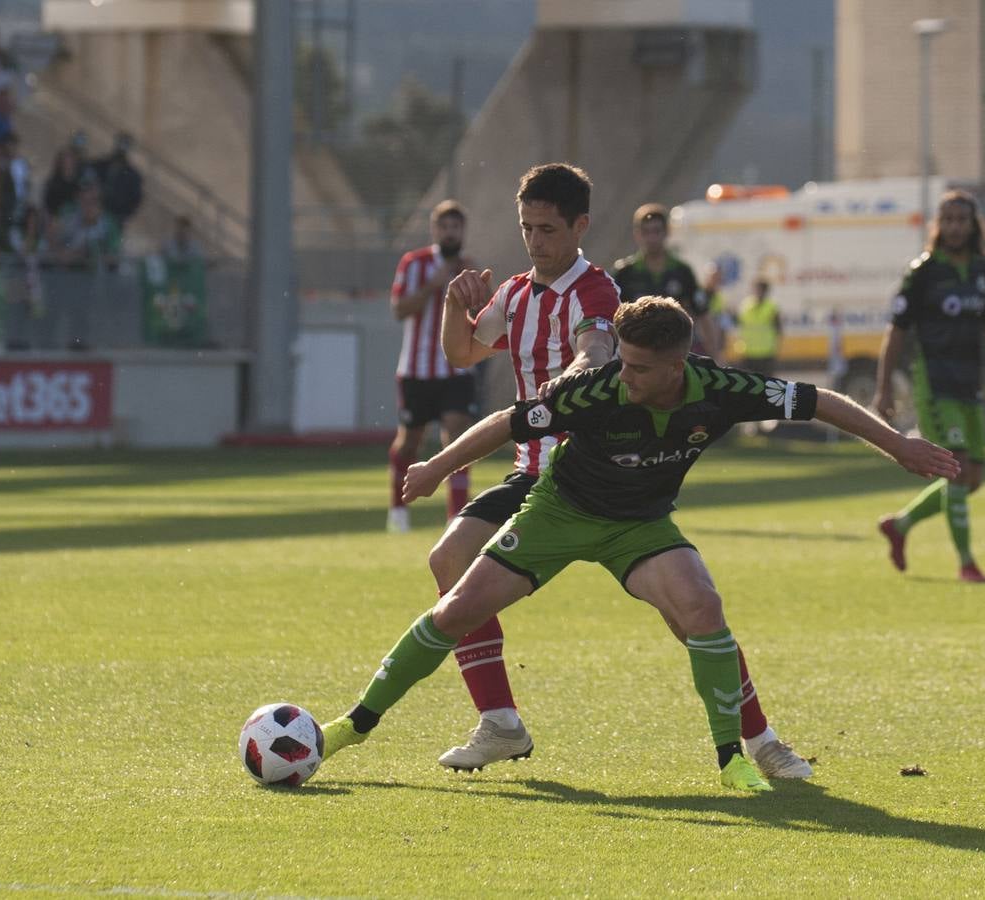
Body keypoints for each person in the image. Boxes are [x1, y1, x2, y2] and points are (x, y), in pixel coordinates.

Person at [318, 296, 960, 791]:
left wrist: (899, 444)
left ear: (680, 365)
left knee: (702, 608)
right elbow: (506, 422)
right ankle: (353, 726)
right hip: (558, 513)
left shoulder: (722, 389)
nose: (624, 377)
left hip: (642, 526)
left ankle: (733, 757)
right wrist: (436, 467)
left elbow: (820, 402)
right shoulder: (599, 390)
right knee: (456, 610)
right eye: (621, 361)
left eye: (640, 368)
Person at [338, 164, 813, 781]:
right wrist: (459, 309)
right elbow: (463, 353)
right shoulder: (512, 293)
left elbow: (596, 347)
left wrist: (572, 378)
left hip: (595, 468)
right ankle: (501, 723)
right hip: (531, 471)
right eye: (527, 228)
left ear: (579, 226)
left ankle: (762, 740)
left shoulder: (596, 291)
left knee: (687, 616)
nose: (536, 241)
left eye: (548, 229)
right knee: (447, 559)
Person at [872, 190, 985, 583]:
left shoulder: (980, 270)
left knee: (971, 479)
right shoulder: (923, 271)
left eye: (963, 219)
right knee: (955, 467)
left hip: (968, 381)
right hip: (935, 382)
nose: (956, 226)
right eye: (949, 219)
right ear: (939, 226)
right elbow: (896, 330)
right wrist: (884, 387)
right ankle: (966, 564)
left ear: (974, 225)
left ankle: (901, 525)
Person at [386, 199, 478, 533]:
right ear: (434, 229)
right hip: (416, 371)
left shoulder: (468, 267)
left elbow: (482, 314)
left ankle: (456, 517)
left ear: (463, 231)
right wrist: (432, 286)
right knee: (411, 442)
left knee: (457, 435)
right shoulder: (414, 264)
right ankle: (398, 508)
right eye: (444, 226)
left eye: (456, 227)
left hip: (455, 370)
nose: (450, 233)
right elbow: (398, 309)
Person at [612, 203, 719, 355]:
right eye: (646, 232)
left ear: (667, 232)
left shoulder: (682, 271)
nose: (651, 238)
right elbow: (609, 317)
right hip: (636, 356)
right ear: (637, 234)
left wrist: (714, 356)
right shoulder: (624, 273)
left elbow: (703, 314)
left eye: (656, 231)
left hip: (675, 355)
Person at [93, 132, 143, 227]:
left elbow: (136, 199)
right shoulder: (102, 165)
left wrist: (124, 215)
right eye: (120, 143)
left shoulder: (133, 176)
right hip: (95, 211)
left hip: (115, 217)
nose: (121, 148)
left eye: (125, 145)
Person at [734, 279, 782, 376]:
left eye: (760, 289)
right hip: (748, 352)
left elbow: (778, 329)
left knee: (768, 385)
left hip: (766, 353)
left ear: (765, 291)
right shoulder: (745, 305)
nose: (757, 291)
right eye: (756, 289)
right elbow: (739, 324)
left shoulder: (771, 307)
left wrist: (776, 347)